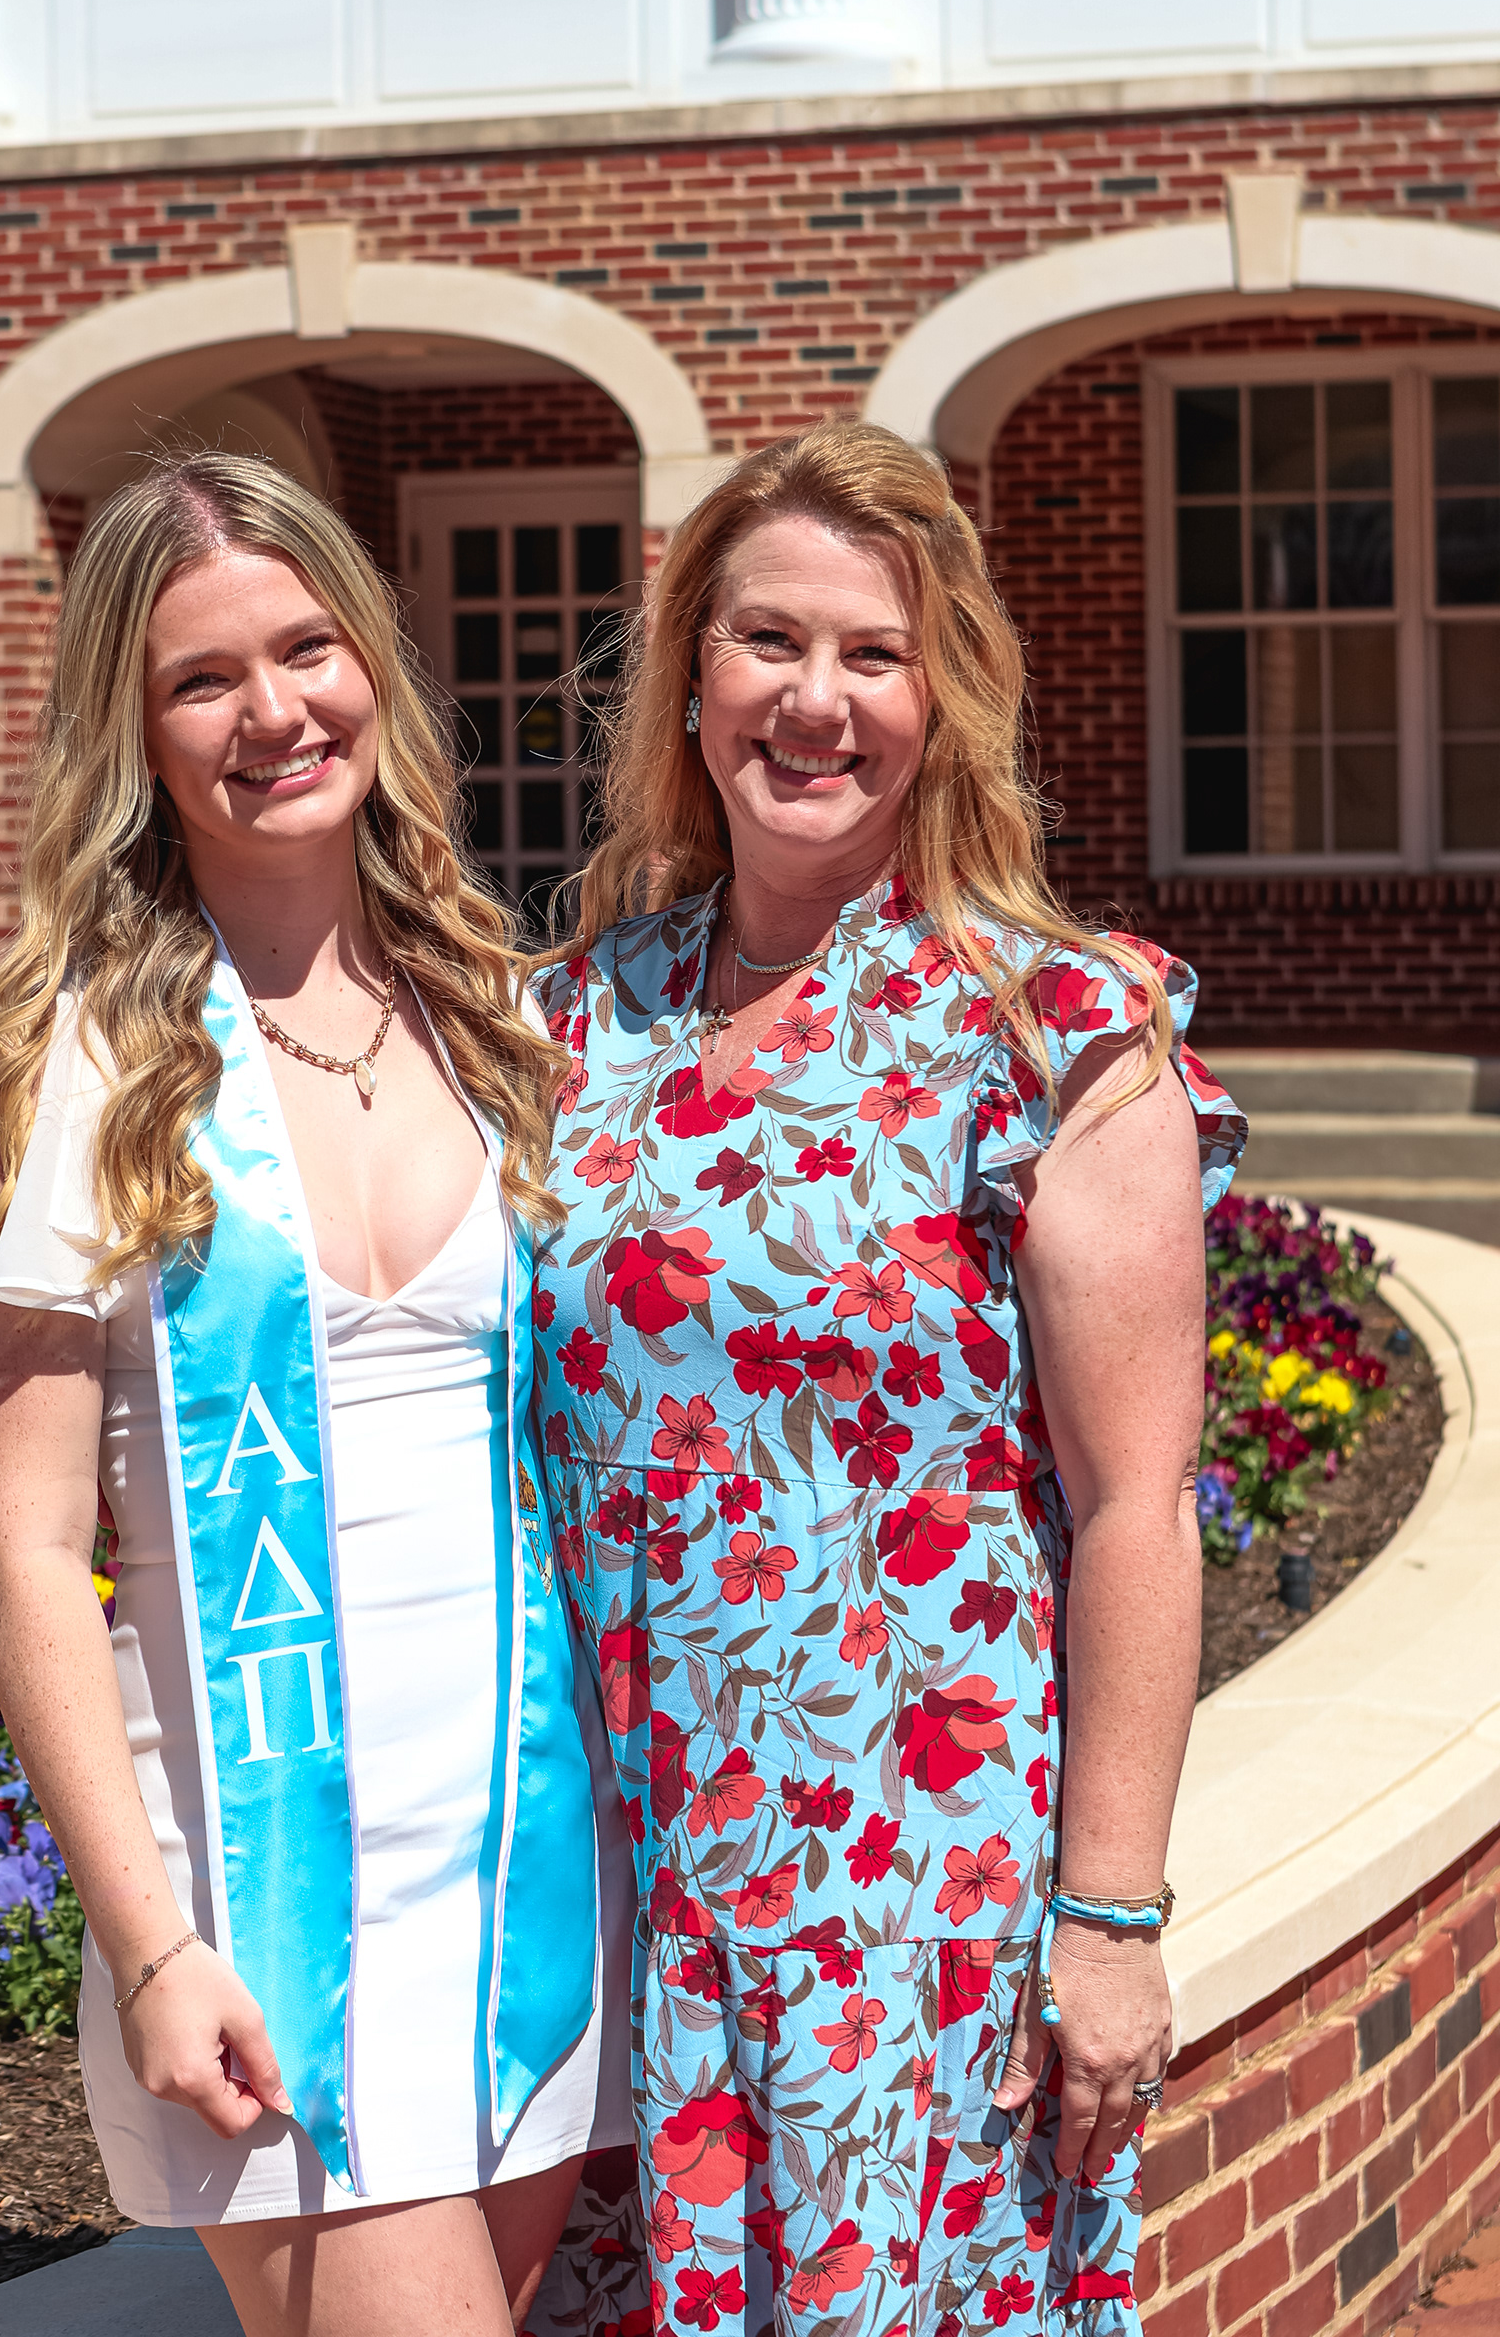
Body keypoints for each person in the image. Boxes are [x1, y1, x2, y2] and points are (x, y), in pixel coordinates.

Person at [0, 453, 634, 2337]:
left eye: (306, 649)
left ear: (374, 659)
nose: (275, 712)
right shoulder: (73, 1067)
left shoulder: (498, 1017)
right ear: (131, 735)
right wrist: (151, 1949)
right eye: (202, 679)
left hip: (533, 1876)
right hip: (263, 1902)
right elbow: (30, 1555)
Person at [530, 420, 1245, 2337]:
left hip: (906, 1895)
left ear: (947, 700)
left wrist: (1110, 1917)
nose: (816, 702)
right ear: (692, 676)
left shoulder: (1054, 1023)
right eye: (769, 640)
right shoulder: (571, 1015)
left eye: (876, 654)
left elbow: (1137, 1502)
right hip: (605, 1889)